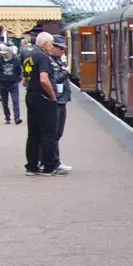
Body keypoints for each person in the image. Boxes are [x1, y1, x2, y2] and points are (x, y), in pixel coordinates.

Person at [22, 32, 66, 177]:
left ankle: (32, 166)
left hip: (31, 95)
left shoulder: (29, 56)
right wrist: (52, 96)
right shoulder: (43, 56)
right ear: (45, 44)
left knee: (33, 134)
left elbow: (24, 80)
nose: (53, 46)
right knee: (49, 134)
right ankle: (49, 166)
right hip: (43, 98)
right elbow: (43, 79)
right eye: (51, 43)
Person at [50, 36, 74, 170]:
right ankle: (54, 161)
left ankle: (55, 160)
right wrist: (65, 72)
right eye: (59, 48)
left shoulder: (57, 60)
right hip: (56, 99)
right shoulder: (51, 62)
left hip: (61, 99)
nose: (61, 51)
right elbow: (55, 80)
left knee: (58, 132)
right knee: (54, 133)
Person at [0, 45, 22, 124]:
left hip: (13, 83)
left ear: (10, 53)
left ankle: (17, 118)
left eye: (5, 53)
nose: (4, 55)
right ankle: (7, 118)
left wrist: (17, 80)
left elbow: (19, 71)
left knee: (15, 101)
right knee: (4, 102)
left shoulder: (15, 60)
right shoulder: (0, 61)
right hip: (3, 84)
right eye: (3, 54)